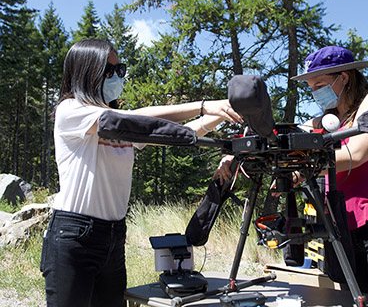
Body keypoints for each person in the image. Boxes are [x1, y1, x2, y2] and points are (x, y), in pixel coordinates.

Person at [215, 45, 368, 300]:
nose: (315, 92)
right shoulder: (322, 123)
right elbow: (281, 139)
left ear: (344, 78)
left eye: (320, 84)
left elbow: (357, 154)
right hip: (344, 230)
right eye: (312, 87)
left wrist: (303, 166)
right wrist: (238, 152)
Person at [39, 38, 242, 307]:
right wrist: (203, 104)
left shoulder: (124, 126)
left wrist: (223, 110)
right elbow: (132, 120)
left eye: (119, 69)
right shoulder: (71, 110)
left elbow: (185, 132)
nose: (116, 77)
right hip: (74, 235)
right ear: (86, 73)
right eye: (108, 71)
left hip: (113, 236)